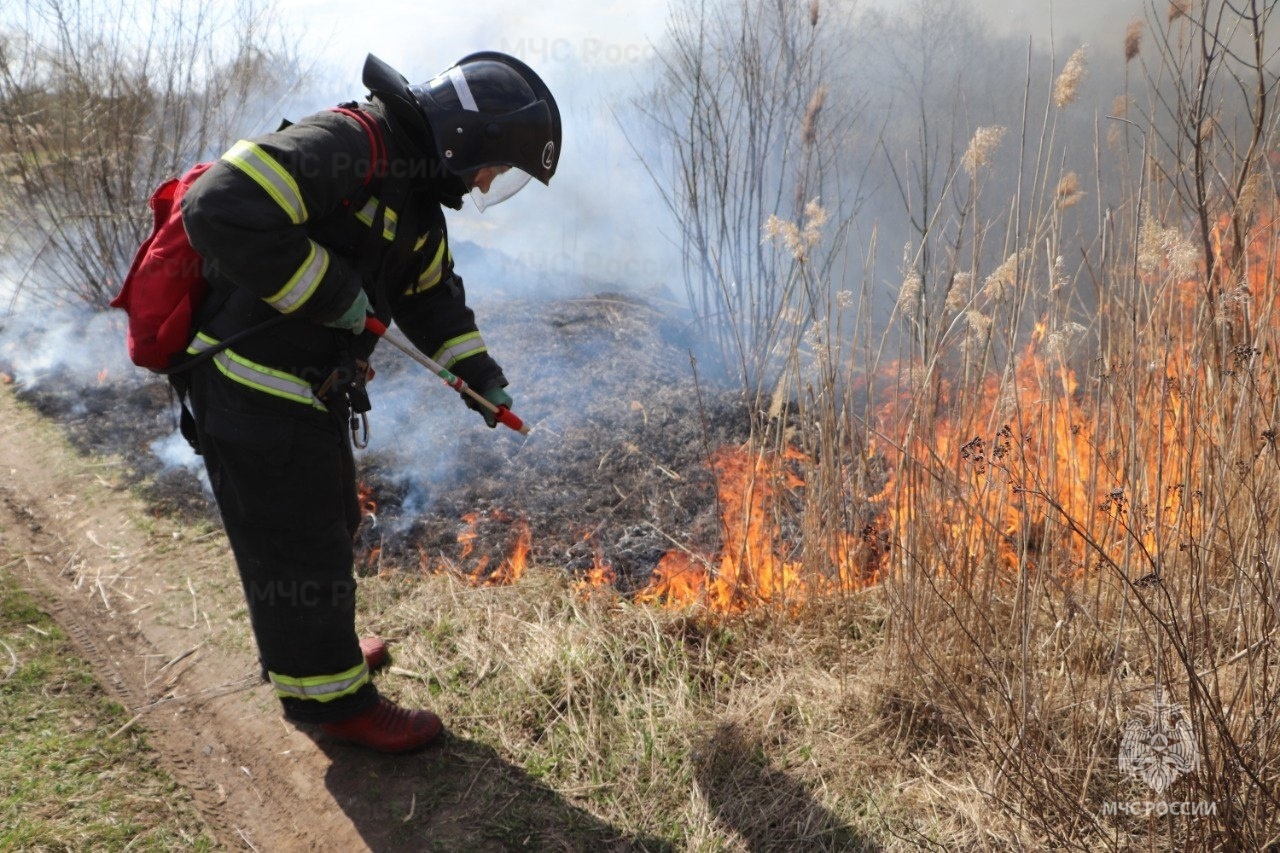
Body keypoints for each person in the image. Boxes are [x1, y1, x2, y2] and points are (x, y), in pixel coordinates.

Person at [175, 52, 560, 753]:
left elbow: (430, 296)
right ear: (464, 139)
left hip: (307, 389)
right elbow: (217, 204)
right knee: (301, 546)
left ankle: (315, 655)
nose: (485, 183)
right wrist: (330, 291)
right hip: (252, 383)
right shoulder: (350, 144)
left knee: (331, 522)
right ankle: (339, 704)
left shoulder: (416, 198)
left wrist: (480, 375)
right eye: (494, 167)